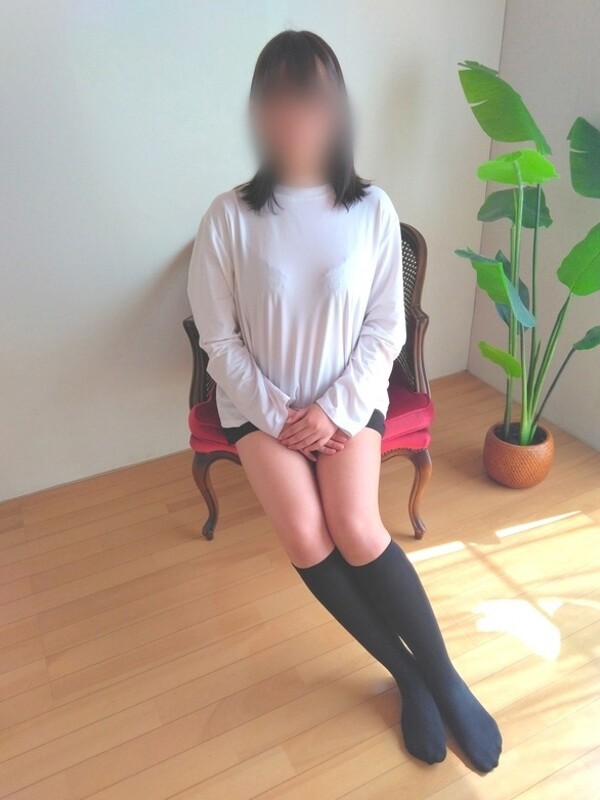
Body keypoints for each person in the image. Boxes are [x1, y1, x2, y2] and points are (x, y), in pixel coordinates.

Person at [187, 29, 502, 772]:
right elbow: (217, 339)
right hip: (259, 408)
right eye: (278, 99)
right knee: (305, 533)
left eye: (311, 99)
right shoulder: (228, 216)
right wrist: (278, 416)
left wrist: (332, 410)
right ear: (259, 112)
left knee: (357, 526)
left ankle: (445, 678)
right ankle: (405, 677)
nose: (295, 116)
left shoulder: (373, 210)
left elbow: (387, 327)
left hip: (349, 399)